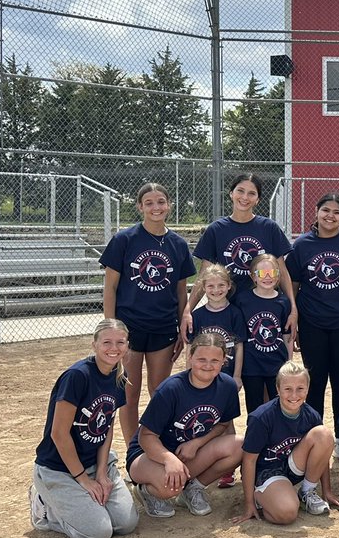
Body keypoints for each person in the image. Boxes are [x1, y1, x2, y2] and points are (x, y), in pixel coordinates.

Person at [100, 182, 196, 446]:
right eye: (150, 202)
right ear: (140, 206)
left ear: (169, 205)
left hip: (163, 327)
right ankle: (134, 451)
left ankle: (157, 446)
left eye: (161, 201)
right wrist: (111, 328)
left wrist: (180, 328)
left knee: (159, 392)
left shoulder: (177, 244)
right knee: (128, 395)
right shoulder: (125, 239)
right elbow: (110, 287)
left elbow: (180, 292)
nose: (156, 207)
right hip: (128, 329)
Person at [29, 319, 140, 538]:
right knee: (98, 534)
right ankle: (44, 507)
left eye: (120, 342)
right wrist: (83, 480)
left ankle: (83, 505)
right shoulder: (77, 376)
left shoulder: (119, 375)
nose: (114, 348)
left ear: (127, 346)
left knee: (125, 523)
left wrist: (100, 473)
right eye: (107, 342)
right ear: (94, 345)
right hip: (60, 468)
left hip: (94, 463)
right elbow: (59, 434)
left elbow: (106, 426)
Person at [286, 192, 339, 464]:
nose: (330, 216)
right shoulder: (302, 245)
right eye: (325, 210)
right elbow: (294, 287)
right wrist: (295, 322)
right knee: (315, 383)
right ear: (316, 211)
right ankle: (315, 436)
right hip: (313, 323)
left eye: (336, 212)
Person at [125, 332, 243, 518]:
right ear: (190, 357)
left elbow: (223, 423)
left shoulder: (227, 386)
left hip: (188, 453)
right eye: (201, 359)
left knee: (240, 445)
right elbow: (146, 437)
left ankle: (193, 489)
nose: (207, 365)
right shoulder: (171, 389)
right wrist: (169, 460)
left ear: (223, 362)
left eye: (215, 360)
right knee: (170, 487)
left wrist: (197, 443)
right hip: (149, 454)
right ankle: (146, 492)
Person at [184, 172, 297, 337]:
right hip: (228, 307)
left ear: (258, 199)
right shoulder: (216, 229)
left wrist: (293, 308)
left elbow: (282, 271)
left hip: (262, 308)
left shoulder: (269, 228)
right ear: (231, 193)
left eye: (252, 193)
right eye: (240, 191)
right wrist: (188, 310)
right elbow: (204, 275)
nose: (245, 197)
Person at [232, 362, 339, 524]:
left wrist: (327, 490)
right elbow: (249, 460)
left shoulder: (311, 415)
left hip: (292, 466)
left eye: (300, 389)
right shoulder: (262, 417)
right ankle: (263, 497)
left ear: (307, 389)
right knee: (287, 513)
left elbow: (323, 455)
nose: (294, 395)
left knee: (323, 434)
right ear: (278, 389)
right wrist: (248, 503)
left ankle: (306, 492)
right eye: (288, 389)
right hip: (268, 471)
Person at [238, 253, 294, 408]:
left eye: (273, 273)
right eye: (262, 273)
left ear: (278, 276)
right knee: (254, 406)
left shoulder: (283, 301)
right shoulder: (243, 300)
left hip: (276, 363)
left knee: (278, 404)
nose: (268, 277)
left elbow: (286, 335)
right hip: (251, 365)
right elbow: (240, 337)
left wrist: (289, 362)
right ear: (253, 277)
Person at [188, 263, 245, 388]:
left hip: (227, 375)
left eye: (221, 285)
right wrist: (189, 373)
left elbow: (239, 346)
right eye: (210, 286)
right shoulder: (197, 315)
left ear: (229, 285)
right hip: (202, 373)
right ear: (203, 287)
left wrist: (237, 375)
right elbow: (190, 348)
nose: (216, 290)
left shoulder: (235, 314)